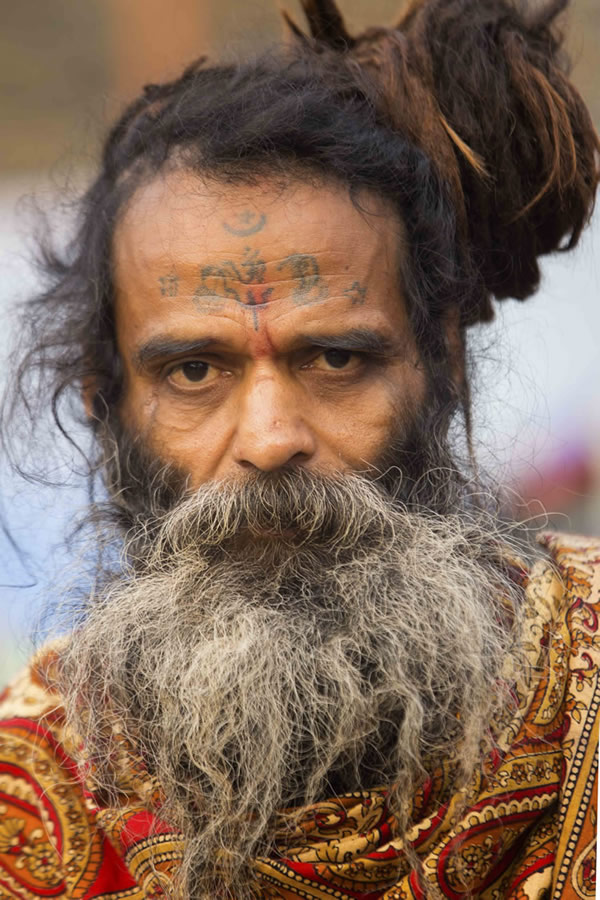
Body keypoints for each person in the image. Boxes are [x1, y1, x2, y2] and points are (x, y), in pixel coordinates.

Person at [0, 0, 598, 897]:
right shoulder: (28, 794)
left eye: (336, 358)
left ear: (445, 368)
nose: (272, 439)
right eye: (195, 371)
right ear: (105, 405)